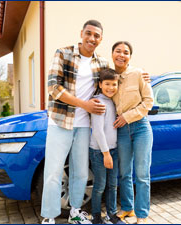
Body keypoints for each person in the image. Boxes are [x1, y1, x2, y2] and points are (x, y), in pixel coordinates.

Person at [41, 20, 108, 224]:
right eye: (89, 33)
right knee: (53, 172)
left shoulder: (102, 63)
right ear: (81, 33)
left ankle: (75, 212)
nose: (92, 38)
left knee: (80, 171)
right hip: (61, 121)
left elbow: (114, 82)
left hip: (84, 125)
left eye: (96, 36)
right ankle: (49, 217)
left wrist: (141, 77)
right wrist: (84, 104)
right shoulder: (63, 53)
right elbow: (53, 87)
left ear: (100, 39)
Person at [111, 41, 154, 224]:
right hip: (120, 130)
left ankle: (142, 214)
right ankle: (127, 208)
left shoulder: (138, 74)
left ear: (130, 56)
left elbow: (148, 102)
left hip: (141, 128)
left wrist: (127, 116)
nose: (121, 54)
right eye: (118, 51)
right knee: (125, 173)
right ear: (112, 54)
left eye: (126, 52)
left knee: (142, 174)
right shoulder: (108, 76)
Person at [89, 68, 125, 224]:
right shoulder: (98, 102)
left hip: (113, 149)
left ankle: (111, 214)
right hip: (100, 151)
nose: (111, 87)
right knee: (100, 185)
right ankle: (96, 216)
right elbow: (97, 131)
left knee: (112, 184)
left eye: (114, 84)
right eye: (107, 84)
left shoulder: (113, 101)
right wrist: (106, 154)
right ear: (100, 84)